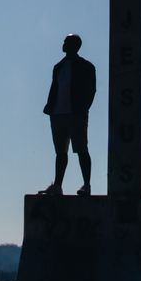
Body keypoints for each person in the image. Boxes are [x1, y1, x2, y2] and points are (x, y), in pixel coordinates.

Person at [39, 33, 96, 196]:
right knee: (60, 153)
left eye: (66, 42)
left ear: (74, 45)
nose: (63, 44)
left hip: (76, 113)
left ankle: (86, 184)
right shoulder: (58, 66)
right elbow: (54, 87)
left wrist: (84, 108)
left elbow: (91, 90)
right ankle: (57, 185)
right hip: (58, 113)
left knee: (81, 149)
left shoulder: (86, 66)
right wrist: (49, 106)